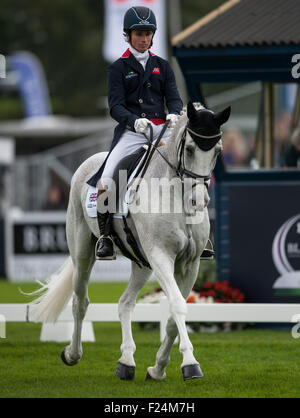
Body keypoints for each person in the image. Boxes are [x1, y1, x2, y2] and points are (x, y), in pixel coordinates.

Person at [91, 5, 182, 260]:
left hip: (162, 130)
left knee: (188, 168)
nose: (144, 39)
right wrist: (133, 121)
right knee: (108, 178)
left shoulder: (163, 66)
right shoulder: (118, 68)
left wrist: (174, 113)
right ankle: (105, 235)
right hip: (133, 132)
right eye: (139, 34)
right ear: (128, 35)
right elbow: (115, 106)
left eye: (148, 34)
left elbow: (173, 99)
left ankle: (197, 230)